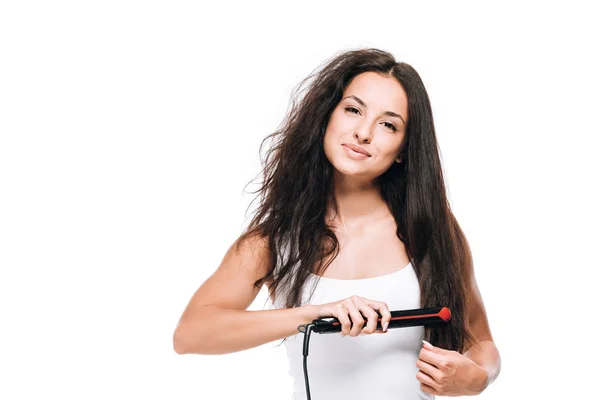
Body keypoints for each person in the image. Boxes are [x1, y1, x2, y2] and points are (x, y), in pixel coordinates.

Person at [173, 48, 501, 399]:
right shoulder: (273, 241)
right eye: (353, 110)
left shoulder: (433, 232)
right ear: (326, 117)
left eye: (388, 125)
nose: (363, 133)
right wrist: (315, 314)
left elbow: (481, 342)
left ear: (403, 148)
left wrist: (479, 377)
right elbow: (190, 334)